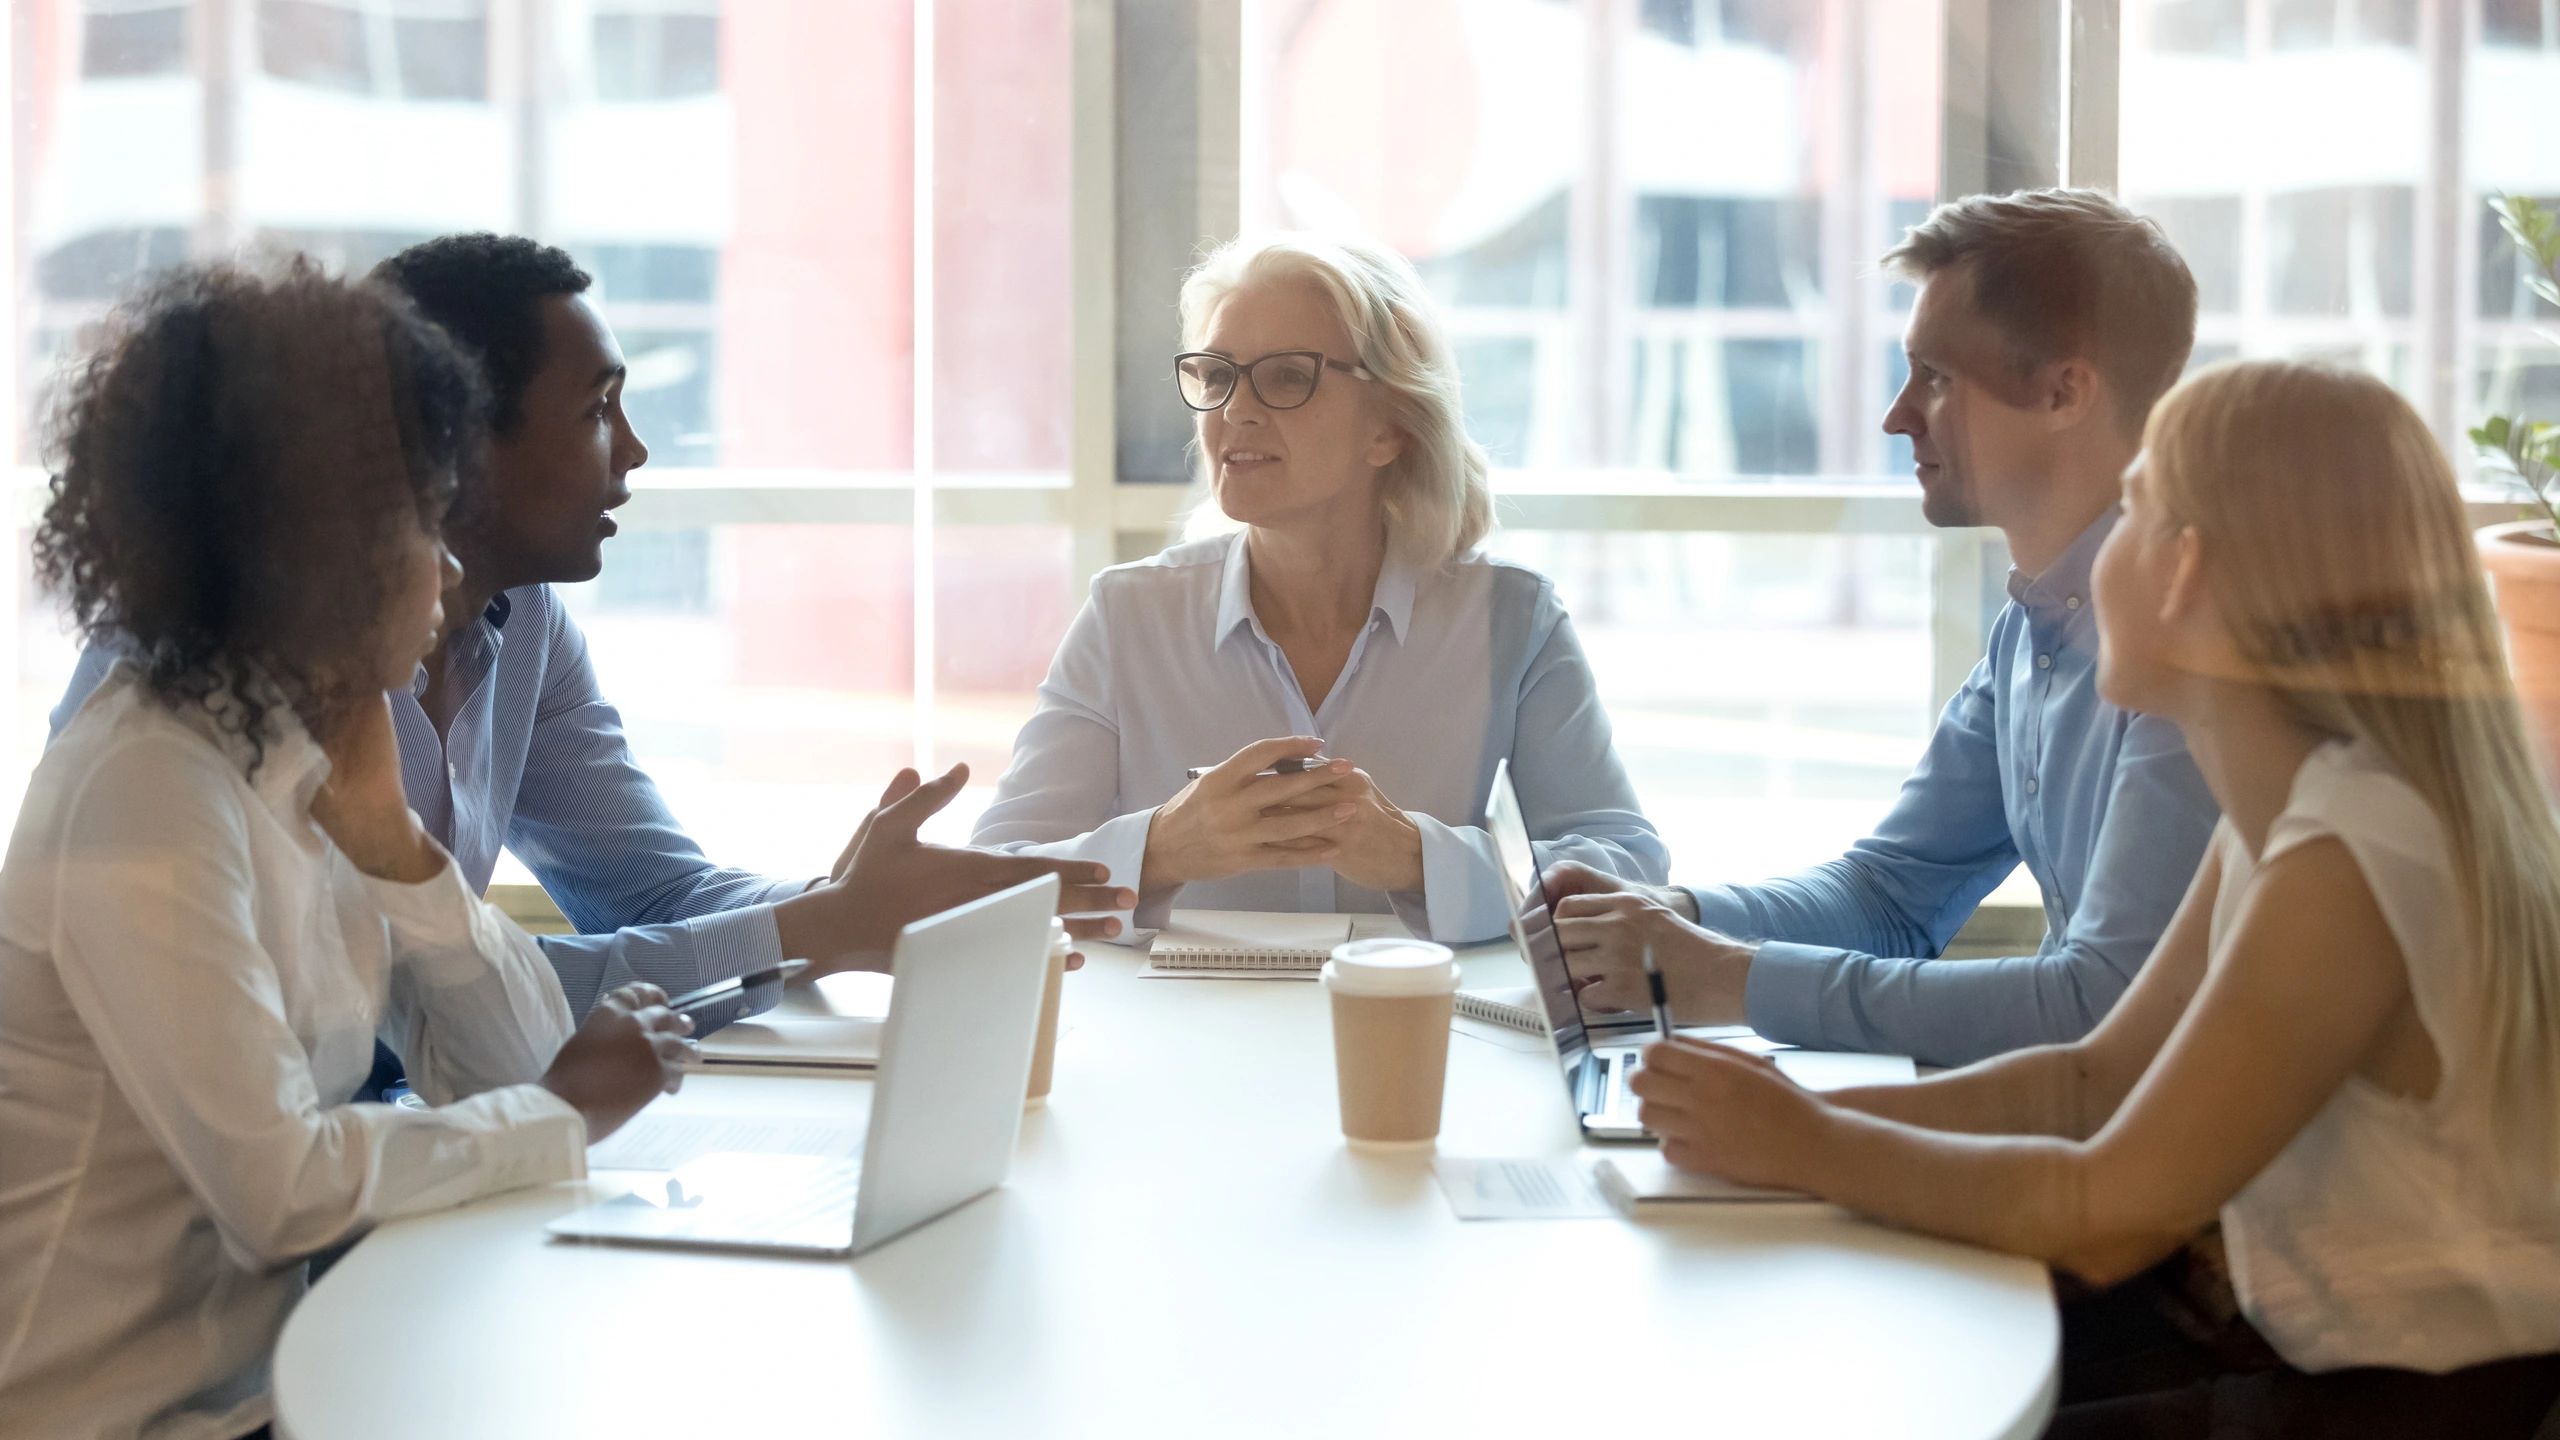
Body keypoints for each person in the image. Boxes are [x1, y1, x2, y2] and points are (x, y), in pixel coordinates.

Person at [1631, 361, 2560, 1436]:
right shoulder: (2298, 807)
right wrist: (1770, 1128)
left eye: (2134, 508)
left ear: (2181, 568)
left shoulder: (2349, 857)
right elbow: (2089, 1083)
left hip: (2406, 1408)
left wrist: (1804, 1147)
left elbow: (2107, 1215)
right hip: (2314, 1361)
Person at [47, 235, 1131, 1032]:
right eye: (596, 410)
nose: (638, 452)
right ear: (451, 443)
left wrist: (848, 902)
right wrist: (819, 928)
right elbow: (400, 1001)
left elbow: (651, 892)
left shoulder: (523, 623)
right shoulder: (230, 664)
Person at [0, 263, 696, 1440]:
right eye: (423, 522)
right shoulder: (149, 789)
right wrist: (560, 1117)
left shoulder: (299, 741)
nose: (451, 568)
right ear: (307, 549)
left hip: (267, 1391)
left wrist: (397, 853)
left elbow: (521, 1063)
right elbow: (280, 1194)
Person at [1549, 189, 2219, 1066]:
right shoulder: (2031, 632)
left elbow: (2103, 1006)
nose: (1897, 415)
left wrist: (1728, 977)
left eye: (1937, 378)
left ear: (2065, 392)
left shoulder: (2192, 640)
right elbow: (1891, 897)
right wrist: (1672, 921)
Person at [971, 233, 1666, 943]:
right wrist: (1164, 849)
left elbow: (1631, 873)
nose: (1234, 411)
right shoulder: (1128, 618)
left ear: (1389, 428)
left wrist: (1417, 860)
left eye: (1284, 377)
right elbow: (985, 884)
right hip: (1185, 1044)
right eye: (1216, 375)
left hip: (1432, 1044)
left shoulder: (1512, 623)